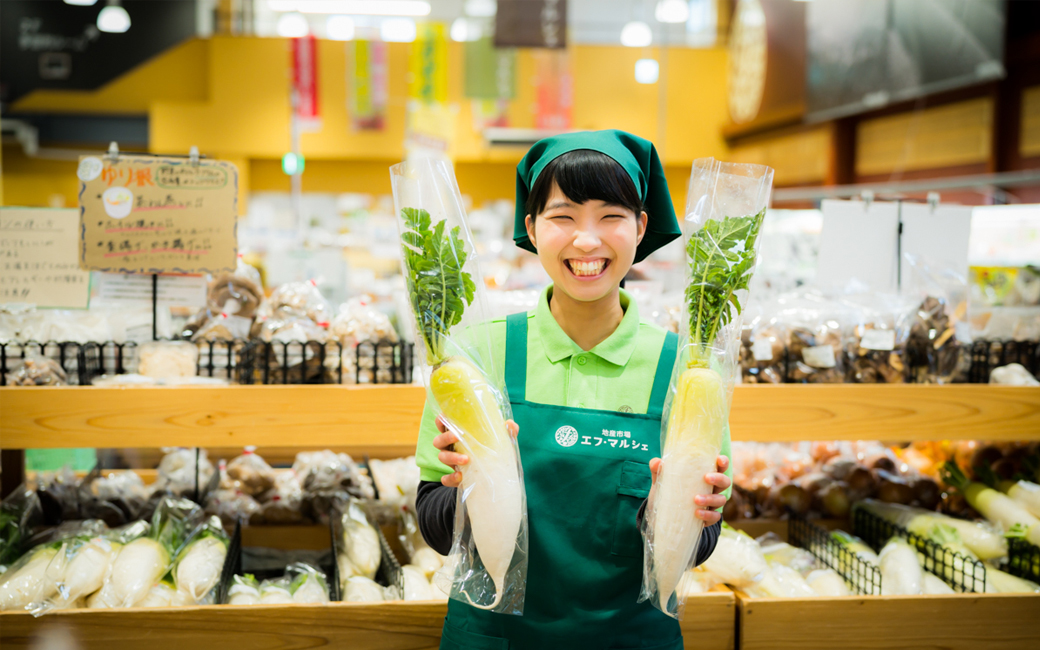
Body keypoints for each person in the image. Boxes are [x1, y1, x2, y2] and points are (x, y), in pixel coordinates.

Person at [415, 130, 732, 649]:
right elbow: (434, 527)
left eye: (611, 216)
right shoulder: (473, 359)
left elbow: (697, 547)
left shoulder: (685, 372)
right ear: (532, 228)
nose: (587, 240)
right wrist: (463, 486)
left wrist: (678, 511)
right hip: (494, 638)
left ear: (641, 227)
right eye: (563, 216)